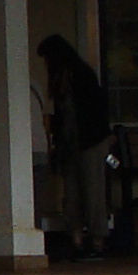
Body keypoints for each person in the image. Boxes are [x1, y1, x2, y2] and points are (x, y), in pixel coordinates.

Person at [36, 33, 112, 254]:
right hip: (85, 141)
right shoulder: (80, 74)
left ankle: (82, 238)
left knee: (81, 192)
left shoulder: (69, 78)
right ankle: (93, 239)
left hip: (84, 142)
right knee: (86, 191)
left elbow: (69, 116)